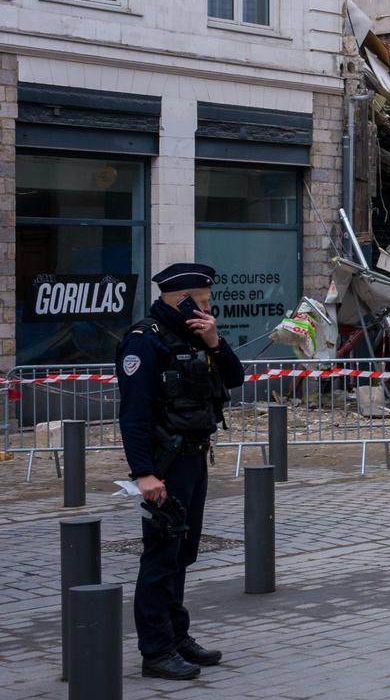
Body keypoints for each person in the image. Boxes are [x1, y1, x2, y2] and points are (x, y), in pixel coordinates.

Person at [116, 263, 245, 680]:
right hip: (164, 464)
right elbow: (133, 416)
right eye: (202, 302)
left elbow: (235, 378)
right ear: (180, 299)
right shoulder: (144, 342)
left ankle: (176, 635)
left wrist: (215, 341)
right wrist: (143, 474)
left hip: (194, 457)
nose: (209, 309)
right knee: (161, 556)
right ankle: (155, 650)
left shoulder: (197, 335)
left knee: (184, 552)